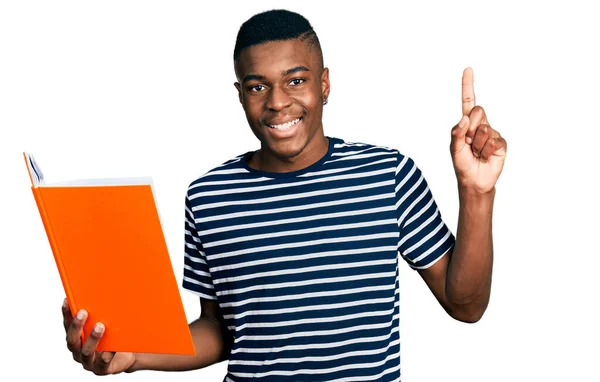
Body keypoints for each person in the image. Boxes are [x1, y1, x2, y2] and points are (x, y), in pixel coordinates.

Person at [61, 9, 507, 381]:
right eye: (257, 86)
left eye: (295, 80)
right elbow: (220, 331)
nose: (277, 101)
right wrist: (135, 354)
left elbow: (465, 306)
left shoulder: (388, 175)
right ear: (240, 95)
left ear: (325, 84)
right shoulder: (209, 197)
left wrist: (475, 193)